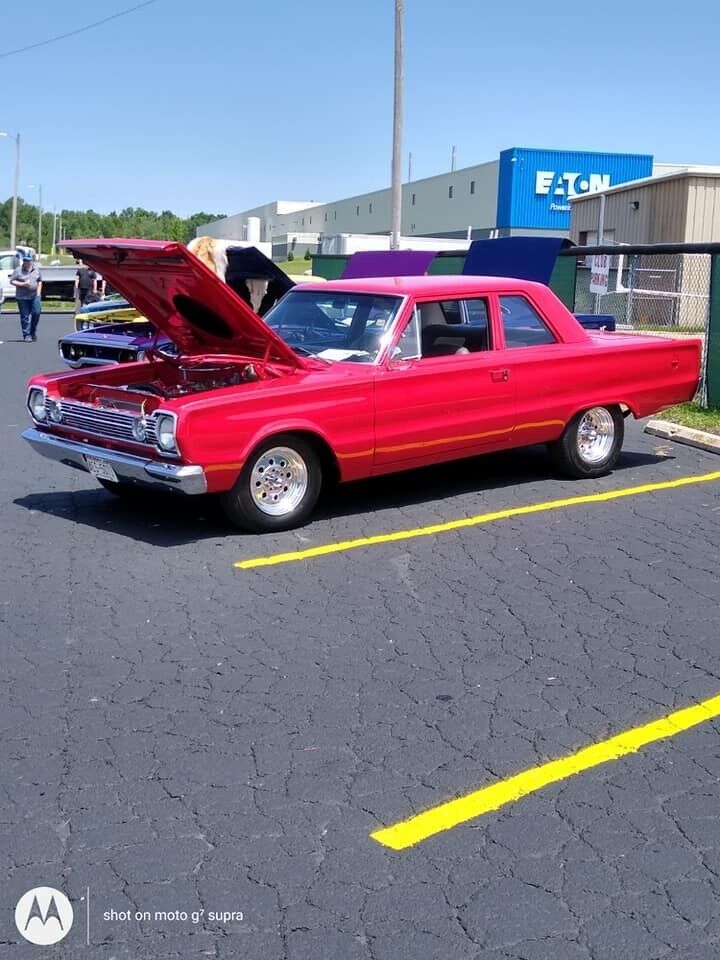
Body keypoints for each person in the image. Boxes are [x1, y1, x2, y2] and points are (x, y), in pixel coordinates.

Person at [10, 253, 42, 342]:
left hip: (34, 295)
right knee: (25, 316)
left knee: (36, 312)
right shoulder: (18, 270)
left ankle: (32, 331)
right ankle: (26, 335)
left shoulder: (36, 269)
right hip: (22, 297)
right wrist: (22, 284)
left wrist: (38, 294)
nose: (26, 262)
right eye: (25, 260)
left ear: (31, 261)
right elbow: (12, 281)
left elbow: (39, 281)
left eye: (28, 260)